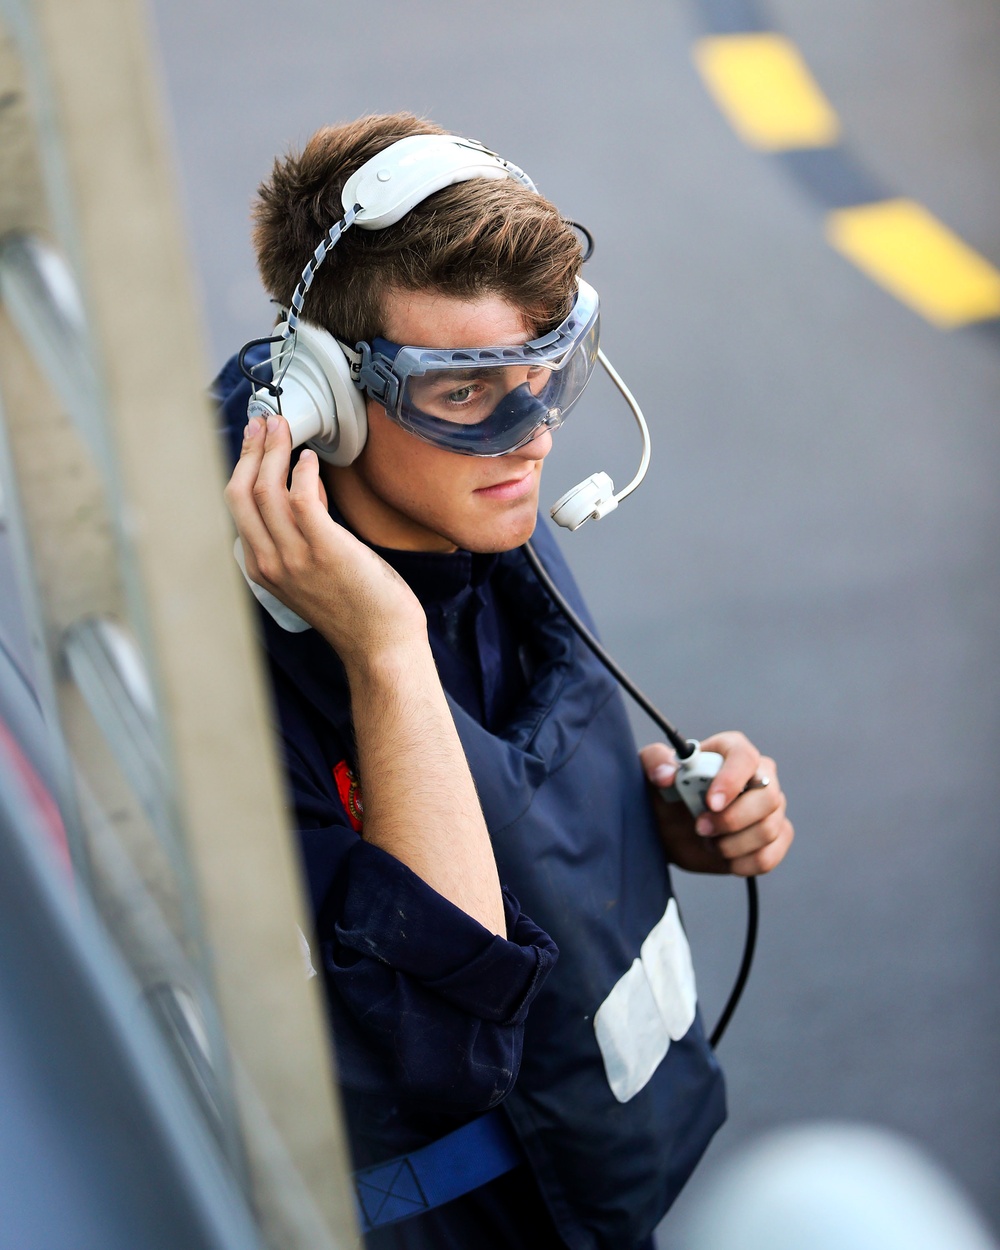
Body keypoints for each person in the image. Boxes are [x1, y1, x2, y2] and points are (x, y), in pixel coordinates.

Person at [217, 112, 793, 1249]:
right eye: (467, 392)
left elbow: (498, 800)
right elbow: (427, 1042)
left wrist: (656, 817)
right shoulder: (239, 672)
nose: (530, 433)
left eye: (551, 370)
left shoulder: (468, 508)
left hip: (593, 1178)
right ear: (328, 398)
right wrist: (384, 651)